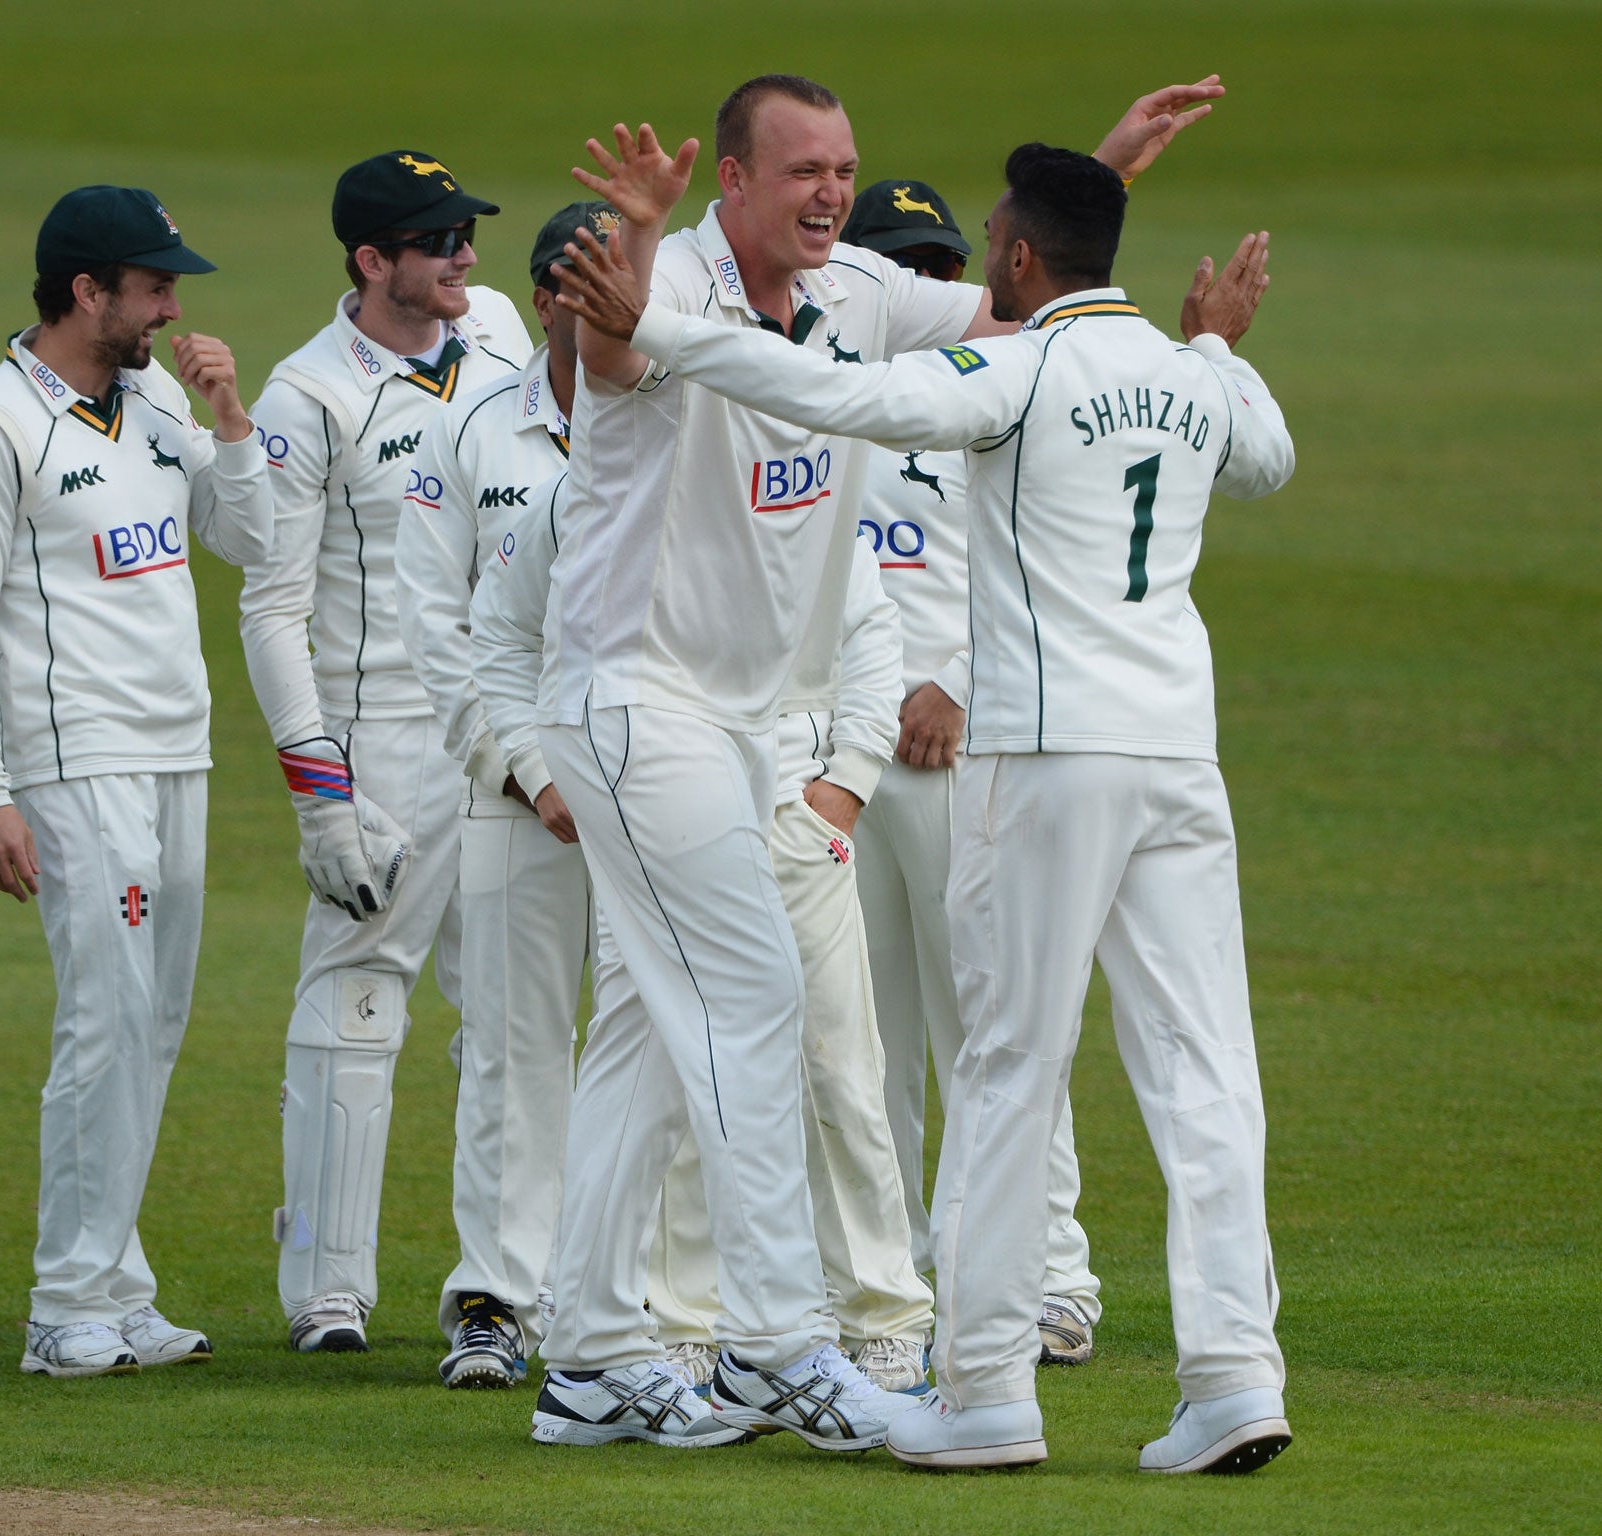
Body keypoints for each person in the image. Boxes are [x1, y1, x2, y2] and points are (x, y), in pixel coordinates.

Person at [553, 142, 1295, 1474]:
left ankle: (989, 1390)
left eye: (994, 235)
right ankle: (1237, 1374)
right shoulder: (1191, 381)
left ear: (1016, 259)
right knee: (1207, 1074)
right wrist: (1219, 351)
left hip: (1048, 756)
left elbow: (834, 394)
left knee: (1007, 1067)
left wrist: (652, 324)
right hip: (1184, 763)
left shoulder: (1016, 369)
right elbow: (1269, 459)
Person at [0, 187, 274, 1377]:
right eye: (154, 286)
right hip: (74, 768)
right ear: (88, 292)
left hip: (179, 751)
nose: (174, 306)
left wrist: (230, 415)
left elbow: (243, 538)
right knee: (102, 1023)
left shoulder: (160, 398)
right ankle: (64, 1302)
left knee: (153, 1025)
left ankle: (116, 1286)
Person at [242, 151, 532, 1353]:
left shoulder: (507, 335)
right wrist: (323, 800)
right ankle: (326, 1290)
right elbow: (270, 607)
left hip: (507, 725)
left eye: (468, 231)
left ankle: (503, 1291)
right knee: (360, 1003)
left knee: (512, 1015)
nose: (465, 256)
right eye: (438, 240)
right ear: (371, 263)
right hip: (386, 739)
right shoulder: (304, 397)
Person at [841, 177, 1104, 1367]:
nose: (939, 286)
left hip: (958, 744)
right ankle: (885, 1279)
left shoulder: (1005, 398)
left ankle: (1051, 1277)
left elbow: (1055, 576)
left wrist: (950, 681)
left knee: (991, 1027)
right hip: (836, 749)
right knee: (861, 1040)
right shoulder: (828, 395)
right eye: (911, 268)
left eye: (950, 264)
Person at [395, 202, 610, 1388]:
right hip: (512, 791)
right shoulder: (472, 429)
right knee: (512, 1043)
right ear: (542, 299)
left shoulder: (683, 410)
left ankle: (646, 1298)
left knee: (667, 1038)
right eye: (583, 281)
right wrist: (524, 774)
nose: (608, 300)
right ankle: (496, 1297)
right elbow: (439, 627)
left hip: (657, 782)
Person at [645, 536, 938, 1395]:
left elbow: (872, 635)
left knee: (840, 1065)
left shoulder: (807, 484)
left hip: (799, 801)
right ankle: (682, 1324)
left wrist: (847, 780)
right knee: (683, 1063)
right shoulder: (654, 472)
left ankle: (882, 1319)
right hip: (682, 797)